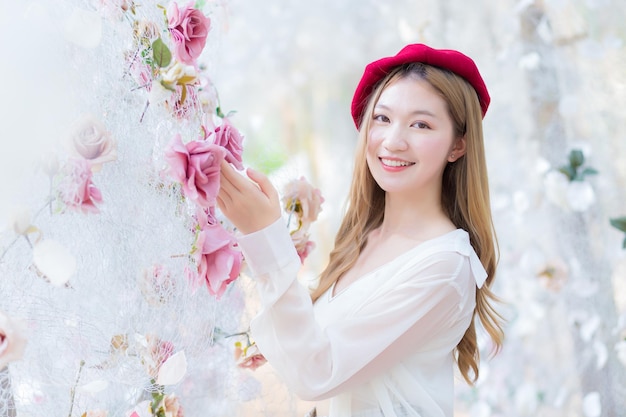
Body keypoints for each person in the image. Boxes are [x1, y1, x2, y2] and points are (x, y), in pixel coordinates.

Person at [217, 43, 504, 417]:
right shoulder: (364, 238)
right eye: (382, 118)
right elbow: (319, 349)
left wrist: (265, 235)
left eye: (421, 124)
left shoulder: (445, 266)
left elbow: (317, 373)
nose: (393, 141)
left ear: (458, 145)